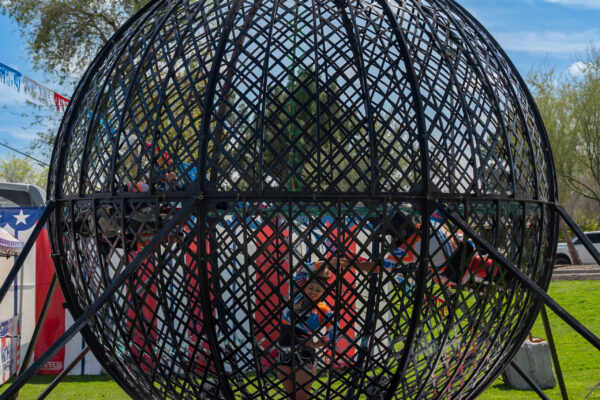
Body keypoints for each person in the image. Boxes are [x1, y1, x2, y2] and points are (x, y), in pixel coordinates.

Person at [278, 260, 339, 400]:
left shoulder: (323, 310)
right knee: (290, 397)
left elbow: (336, 331)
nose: (313, 292)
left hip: (304, 356)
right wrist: (327, 263)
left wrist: (318, 344)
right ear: (305, 286)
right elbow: (303, 269)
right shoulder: (296, 294)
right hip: (284, 353)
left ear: (324, 292)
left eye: (318, 290)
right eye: (311, 288)